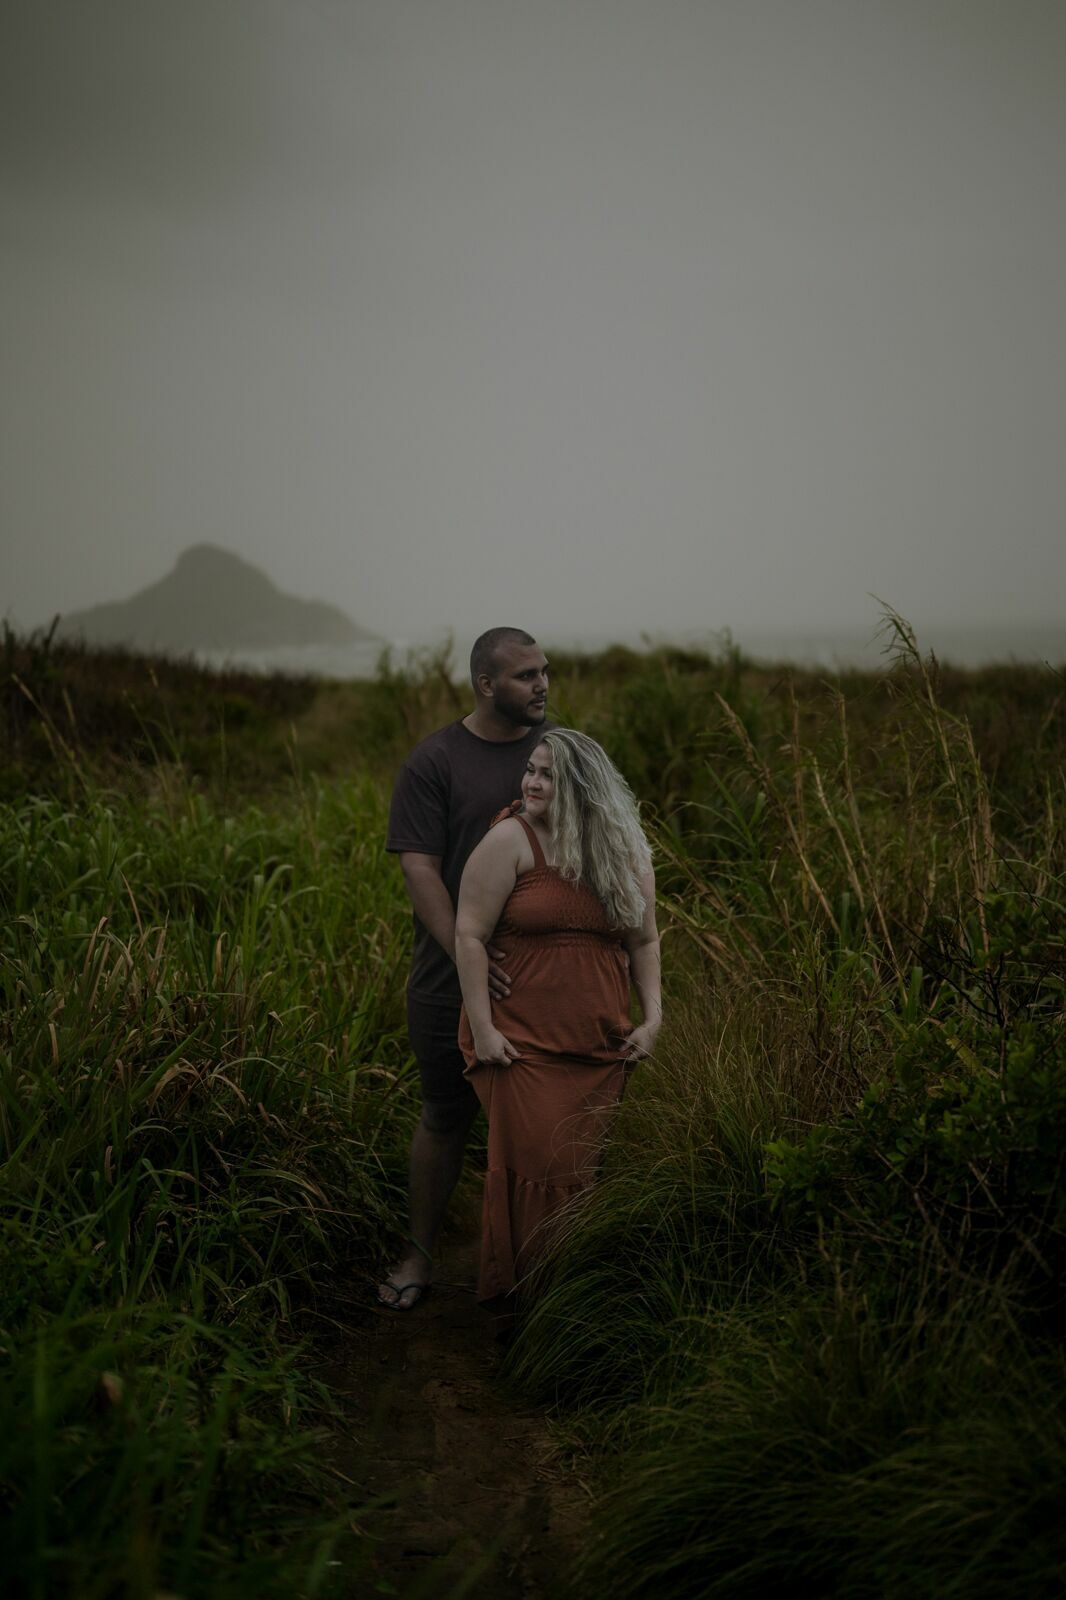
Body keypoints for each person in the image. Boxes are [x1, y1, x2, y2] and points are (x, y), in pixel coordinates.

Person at [455, 728, 661, 1321]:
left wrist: (653, 1018)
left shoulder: (624, 851)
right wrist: (484, 1027)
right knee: (541, 1167)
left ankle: (572, 1301)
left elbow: (643, 939)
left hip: (598, 1046)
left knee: (578, 1170)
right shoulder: (510, 840)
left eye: (546, 774)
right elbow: (469, 933)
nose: (531, 782)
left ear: (580, 786)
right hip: (519, 1043)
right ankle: (524, 1303)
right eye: (530, 769)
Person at [378, 627, 551, 1310]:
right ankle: (420, 1254)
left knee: (541, 1128)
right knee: (445, 1117)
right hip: (448, 980)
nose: (541, 685)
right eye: (525, 675)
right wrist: (470, 962)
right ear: (486, 684)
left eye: (545, 672)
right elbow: (420, 870)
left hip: (544, 982)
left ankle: (536, 1270)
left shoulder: (558, 754)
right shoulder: (436, 761)